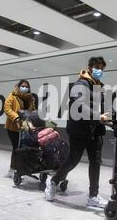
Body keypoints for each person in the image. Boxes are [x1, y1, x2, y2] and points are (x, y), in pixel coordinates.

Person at [45, 56, 110, 208]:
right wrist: (98, 116)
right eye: (97, 67)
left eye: (102, 68)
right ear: (89, 67)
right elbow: (79, 105)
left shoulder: (99, 86)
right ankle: (53, 181)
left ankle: (93, 196)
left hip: (95, 130)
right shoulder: (80, 84)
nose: (99, 70)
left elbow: (104, 106)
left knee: (95, 162)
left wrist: (111, 113)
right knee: (73, 160)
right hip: (79, 129)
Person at [4, 79, 36, 178]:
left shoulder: (30, 98)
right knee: (16, 147)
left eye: (26, 87)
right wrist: (16, 117)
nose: (24, 88)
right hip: (13, 127)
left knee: (24, 147)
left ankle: (23, 167)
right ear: (18, 86)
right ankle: (12, 169)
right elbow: (7, 108)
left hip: (25, 127)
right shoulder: (12, 96)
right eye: (23, 86)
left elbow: (32, 111)